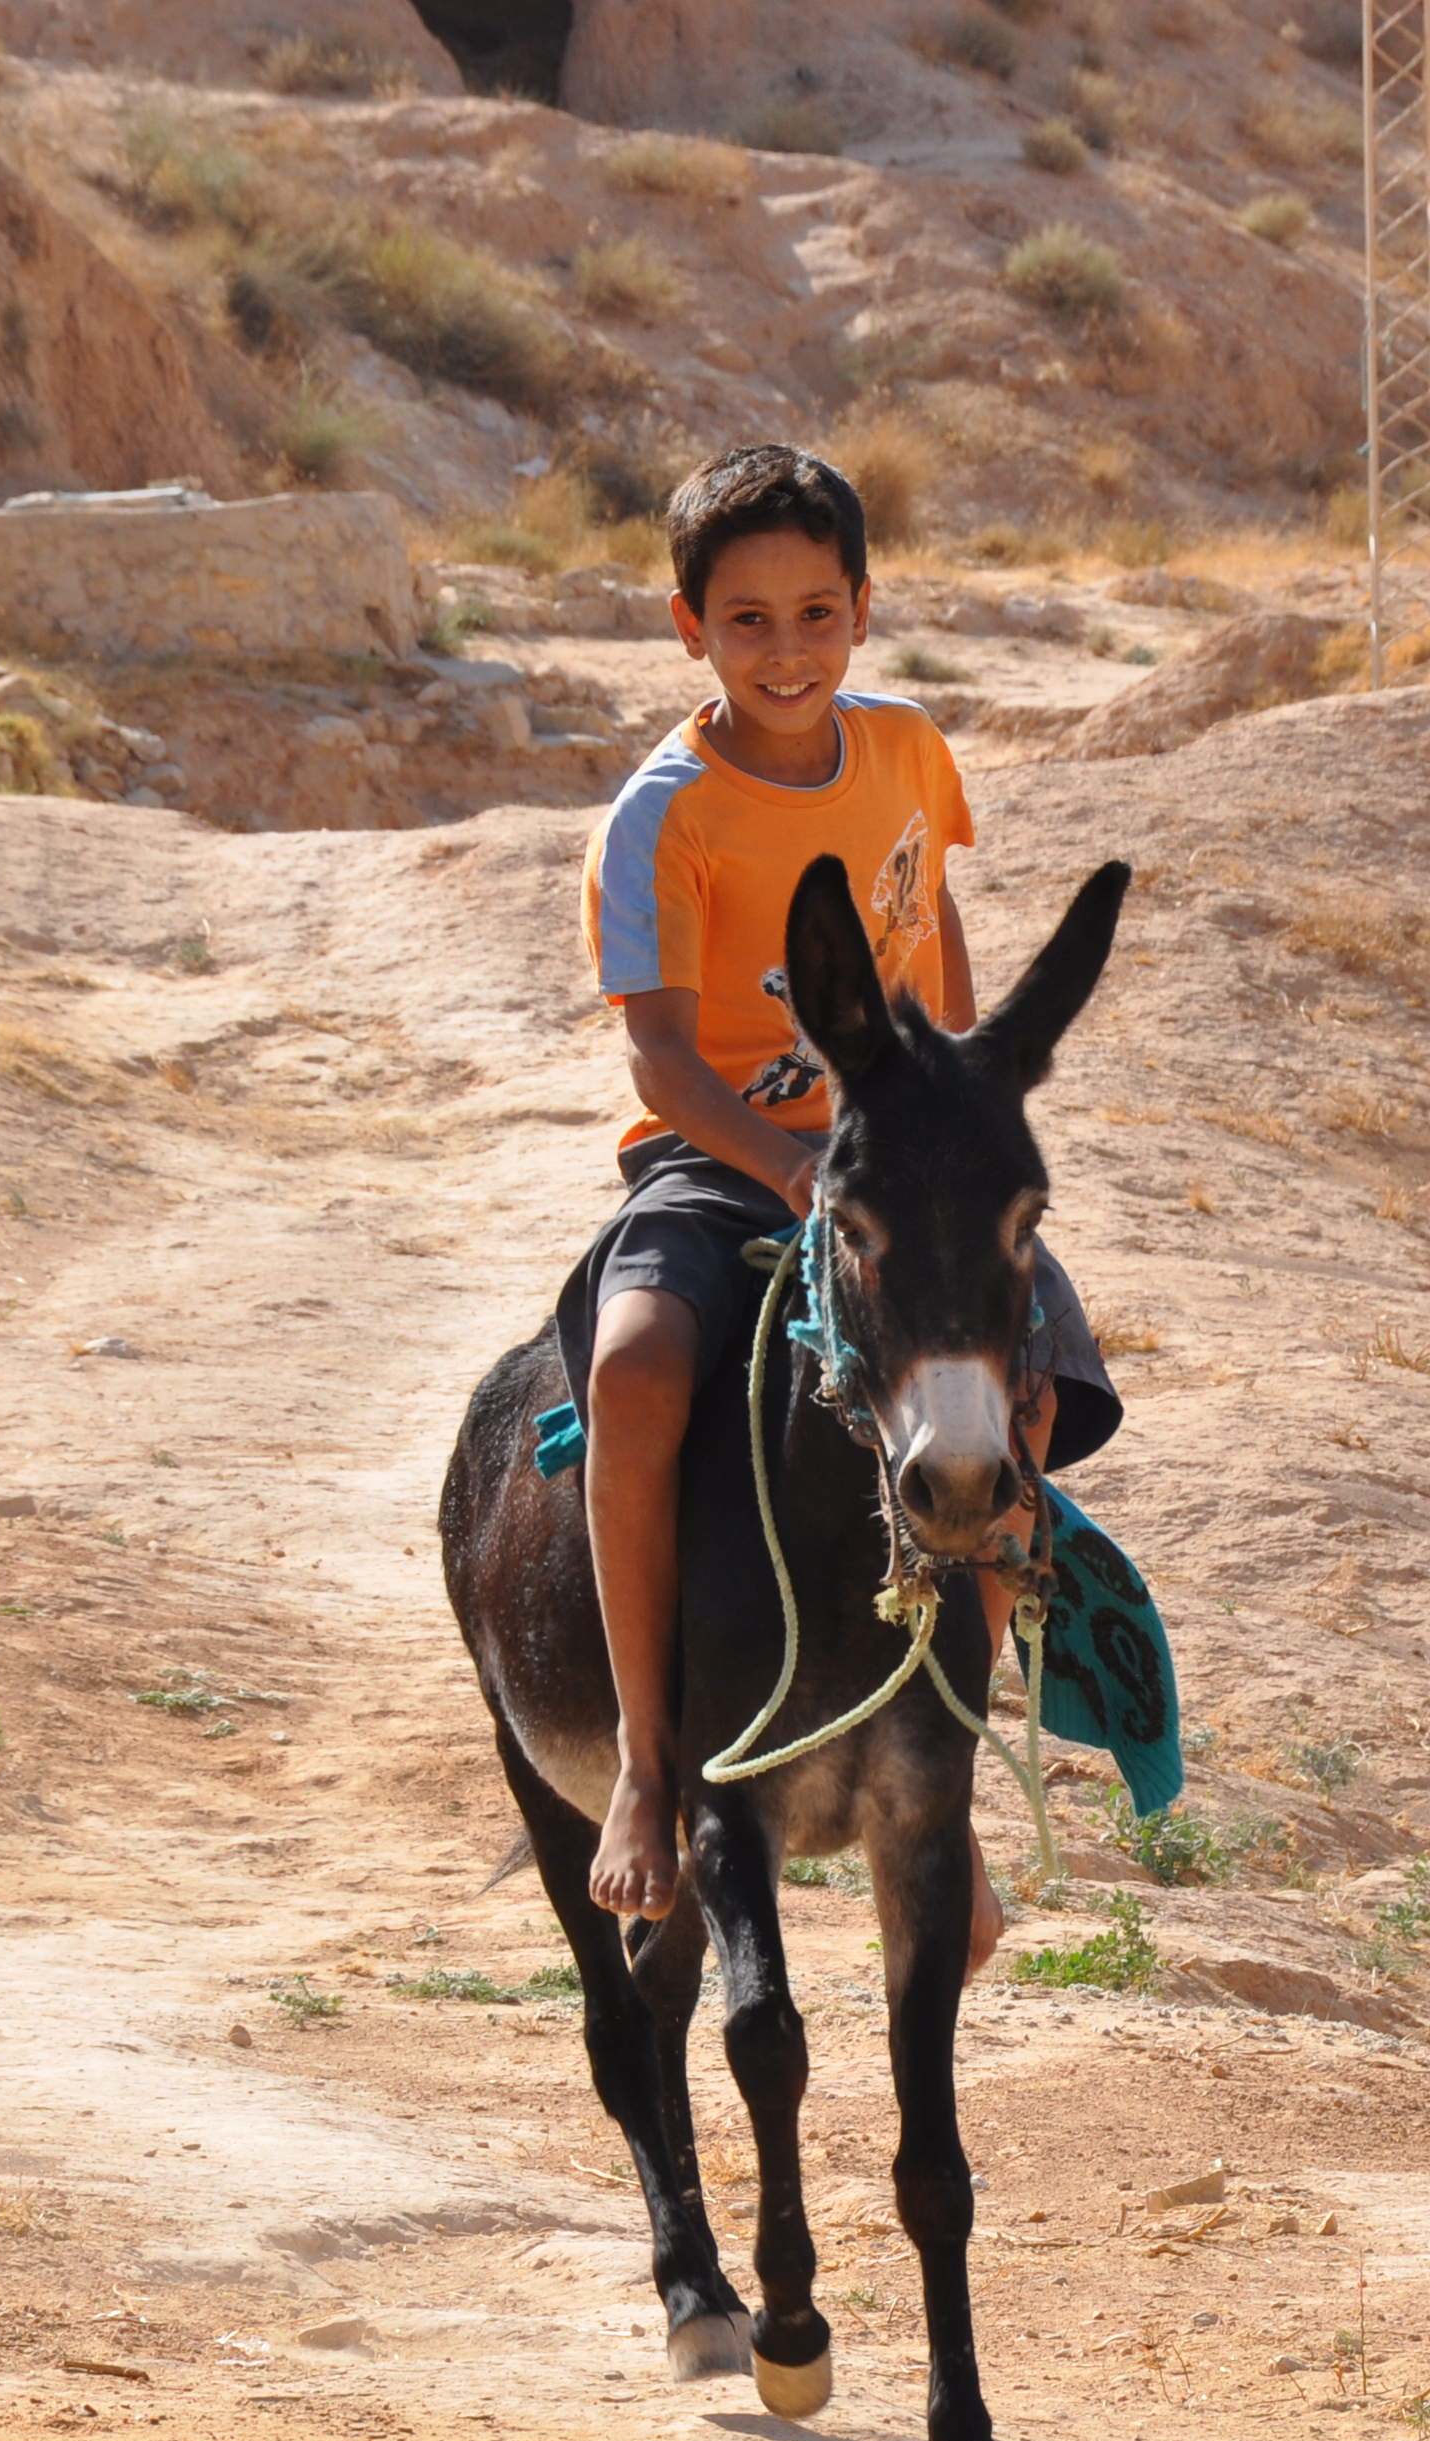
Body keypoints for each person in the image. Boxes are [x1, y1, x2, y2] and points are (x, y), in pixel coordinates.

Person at [556, 442, 1122, 1967]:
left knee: (1030, 1370)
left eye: (817, 613)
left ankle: (951, 1763)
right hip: (717, 1153)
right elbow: (661, 1058)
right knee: (634, 1369)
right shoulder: (662, 815)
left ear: (864, 610)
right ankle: (648, 1762)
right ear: (690, 628)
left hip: (899, 1152)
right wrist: (788, 1163)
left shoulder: (909, 750)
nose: (787, 649)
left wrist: (954, 1102)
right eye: (747, 621)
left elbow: (929, 910)